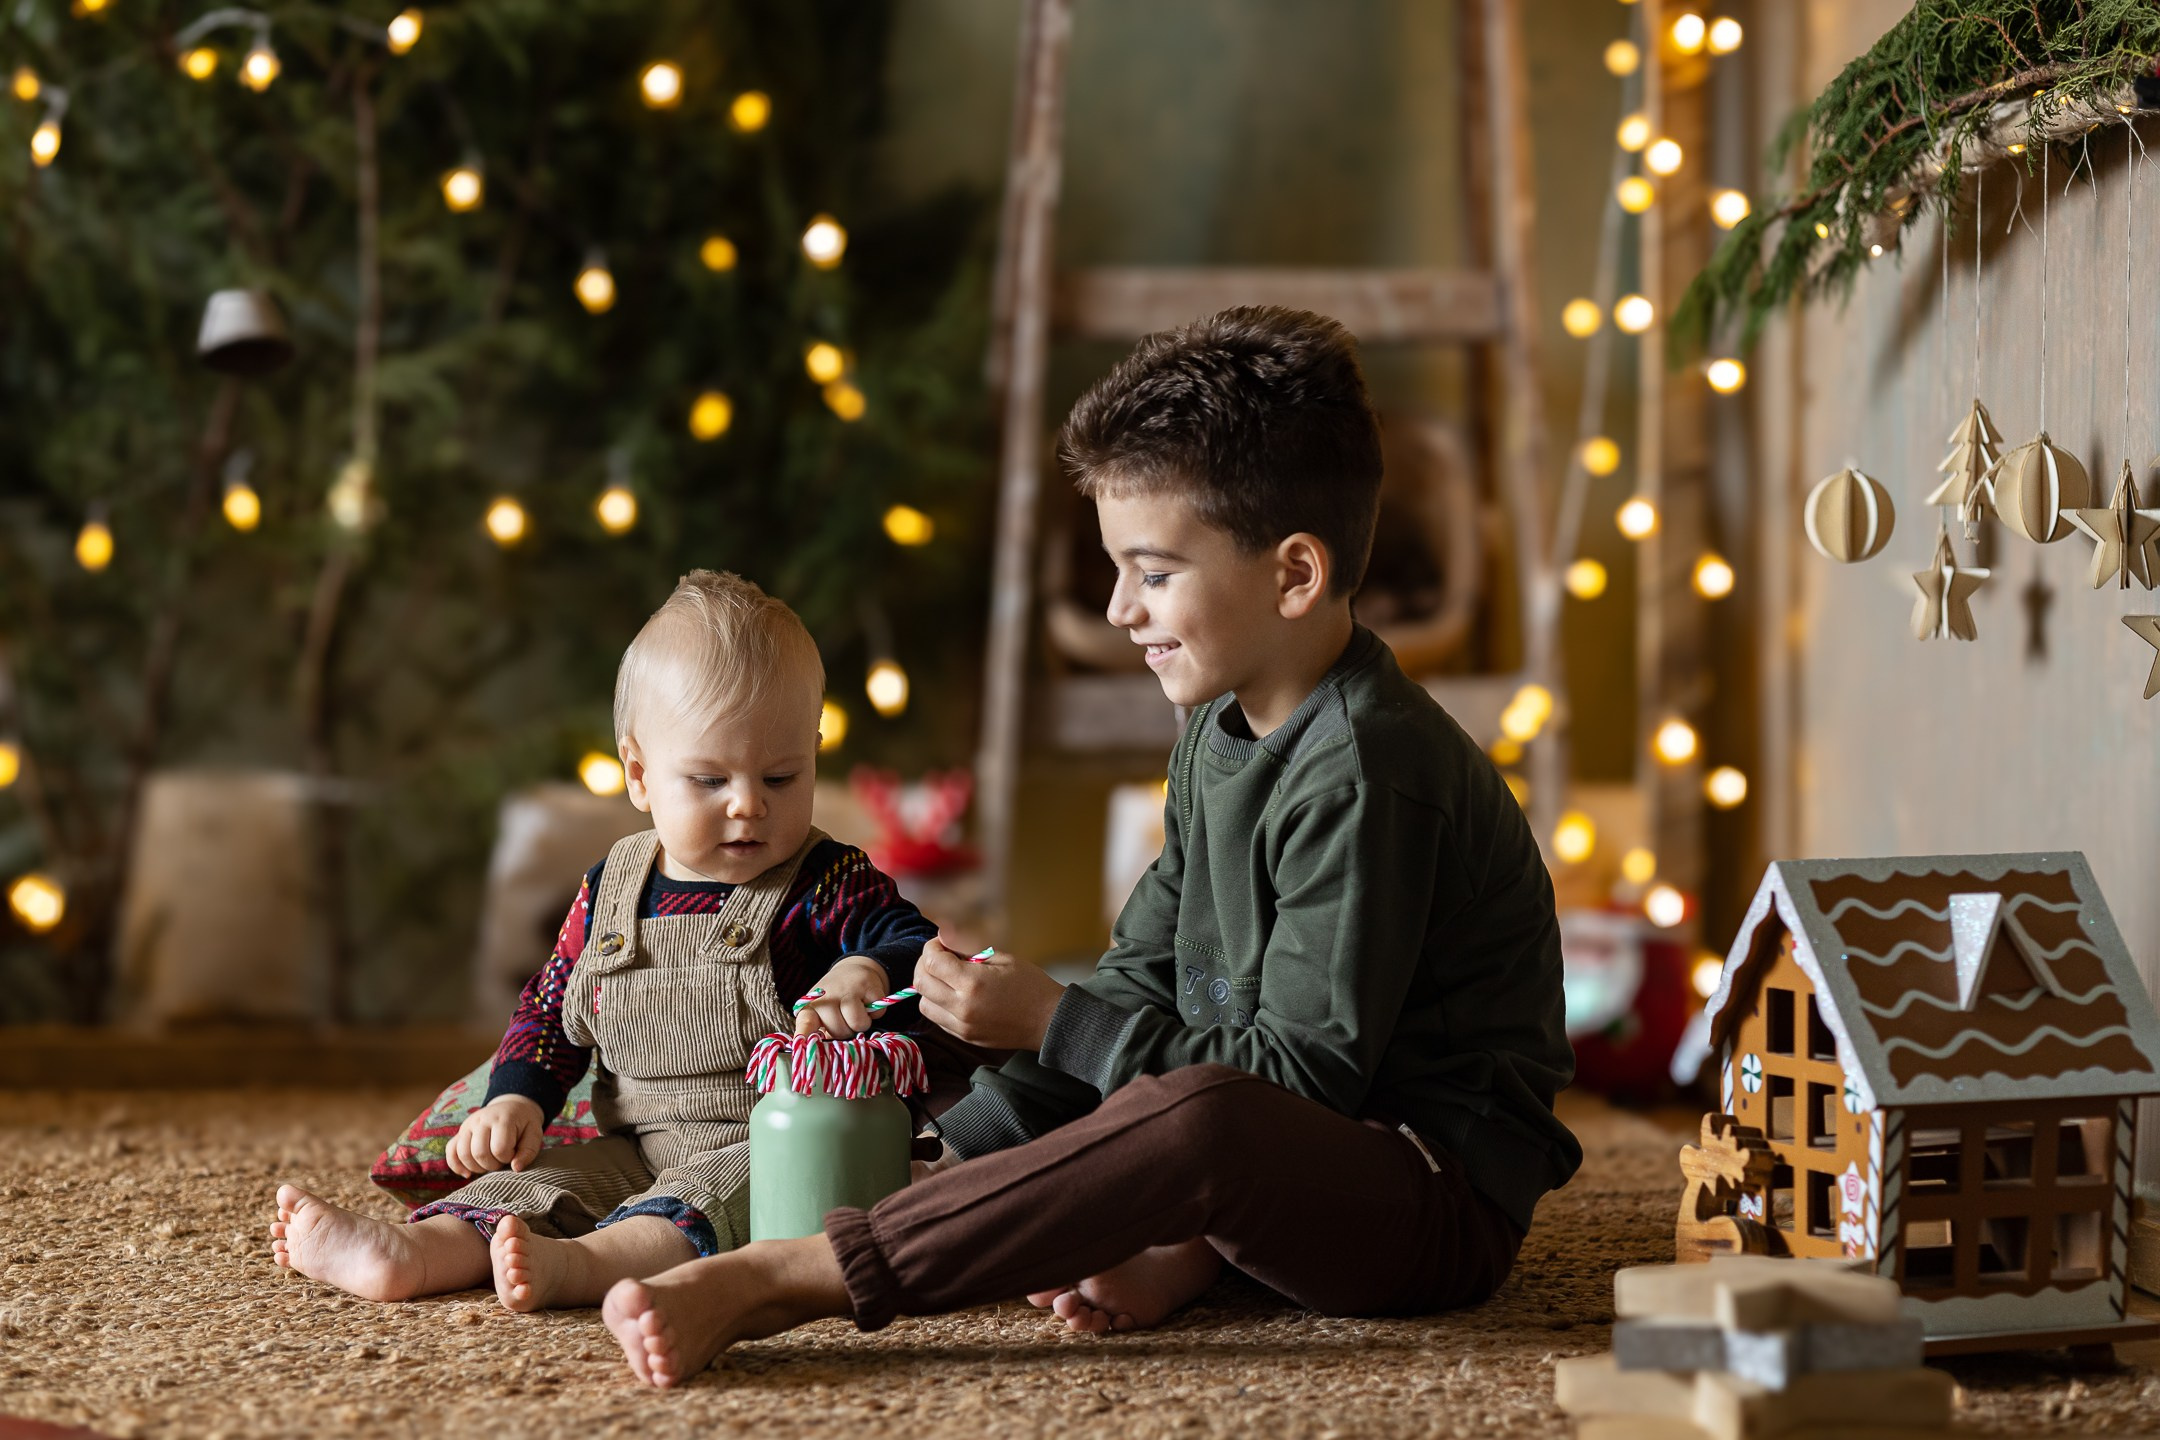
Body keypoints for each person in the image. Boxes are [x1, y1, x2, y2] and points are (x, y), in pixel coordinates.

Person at [601, 306, 1583, 1385]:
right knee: (1003, 1071)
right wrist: (956, 1151)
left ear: (1294, 575)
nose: (1119, 608)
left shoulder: (1366, 772)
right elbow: (1144, 974)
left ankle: (794, 1278)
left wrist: (1059, 1024)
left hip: (1422, 1191)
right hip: (1273, 1142)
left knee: (1188, 1117)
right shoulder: (1214, 728)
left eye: (1154, 572)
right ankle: (1167, 1245)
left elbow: (1297, 1090)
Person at [269, 570, 942, 1312]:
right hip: (635, 1143)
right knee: (534, 1184)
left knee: (704, 1202)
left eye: (782, 777)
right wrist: (517, 1100)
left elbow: (910, 938)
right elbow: (551, 1007)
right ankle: (410, 1255)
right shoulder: (611, 888)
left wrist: (861, 967)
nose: (749, 804)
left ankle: (581, 1268)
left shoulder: (825, 880)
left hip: (767, 1143)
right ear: (640, 774)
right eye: (710, 779)